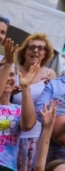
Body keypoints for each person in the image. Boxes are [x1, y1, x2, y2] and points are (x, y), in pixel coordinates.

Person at [1, 40, 38, 171]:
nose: (8, 78)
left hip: (7, 167)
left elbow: (28, 125)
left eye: (12, 74)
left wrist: (26, 87)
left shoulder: (17, 109)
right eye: (4, 72)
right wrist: (8, 65)